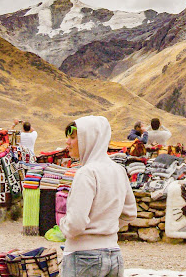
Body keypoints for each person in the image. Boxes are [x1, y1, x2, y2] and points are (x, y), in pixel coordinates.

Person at [60, 116, 137, 277]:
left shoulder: (86, 173)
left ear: (89, 139)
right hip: (114, 256)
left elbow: (76, 223)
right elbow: (130, 213)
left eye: (73, 137)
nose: (68, 142)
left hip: (83, 257)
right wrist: (106, 227)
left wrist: (63, 225)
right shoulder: (119, 170)